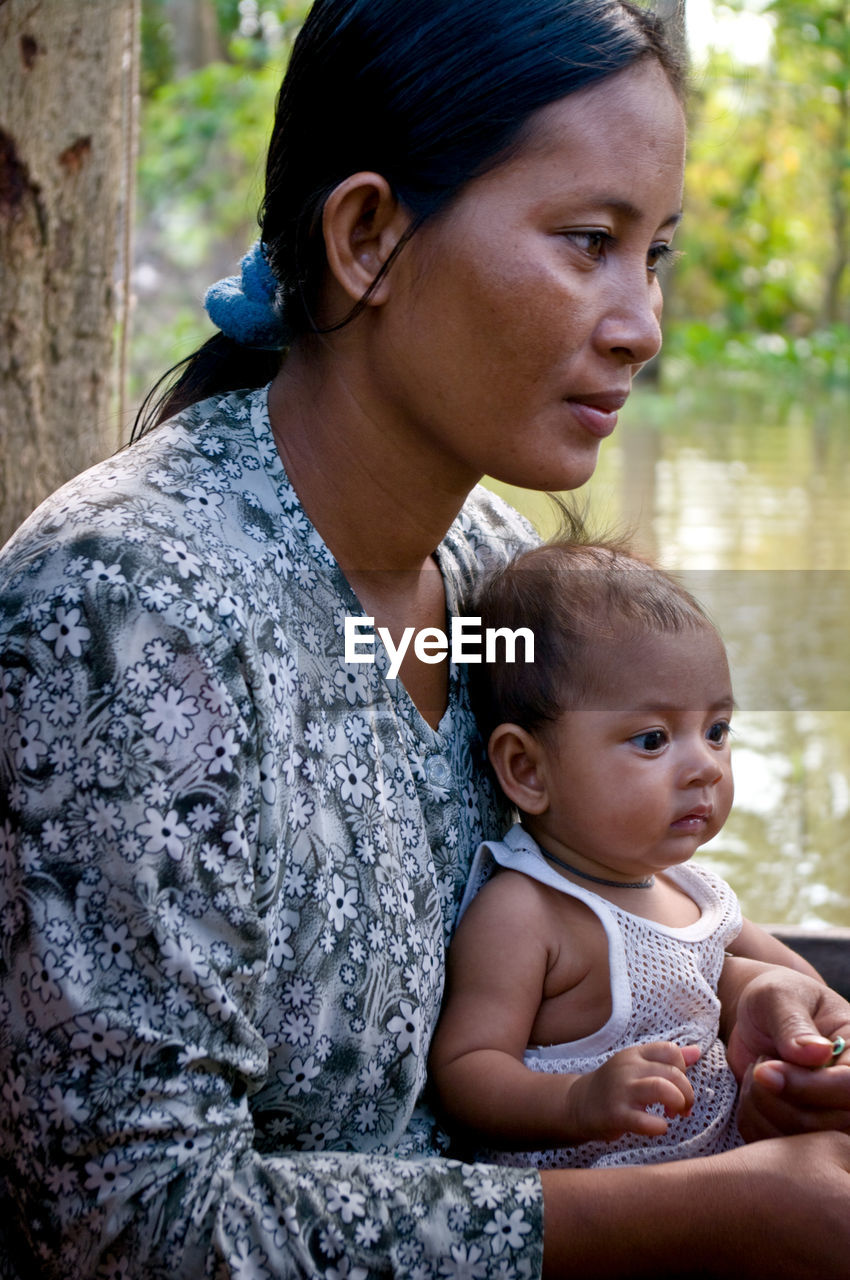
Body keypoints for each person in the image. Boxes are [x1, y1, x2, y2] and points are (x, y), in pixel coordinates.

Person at [0, 1, 849, 1277]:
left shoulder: (490, 574)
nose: (642, 326)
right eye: (586, 243)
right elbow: (133, 1222)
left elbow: (591, 871)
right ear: (367, 237)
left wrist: (749, 995)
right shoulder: (131, 614)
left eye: (653, 254)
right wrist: (726, 1209)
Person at [429, 538, 829, 1171]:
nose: (705, 766)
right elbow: (466, 1072)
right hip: (614, 1212)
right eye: (653, 739)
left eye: (717, 731)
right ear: (528, 769)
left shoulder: (693, 893)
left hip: (726, 1176)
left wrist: (807, 1036)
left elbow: (810, 992)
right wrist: (577, 1100)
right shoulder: (528, 911)